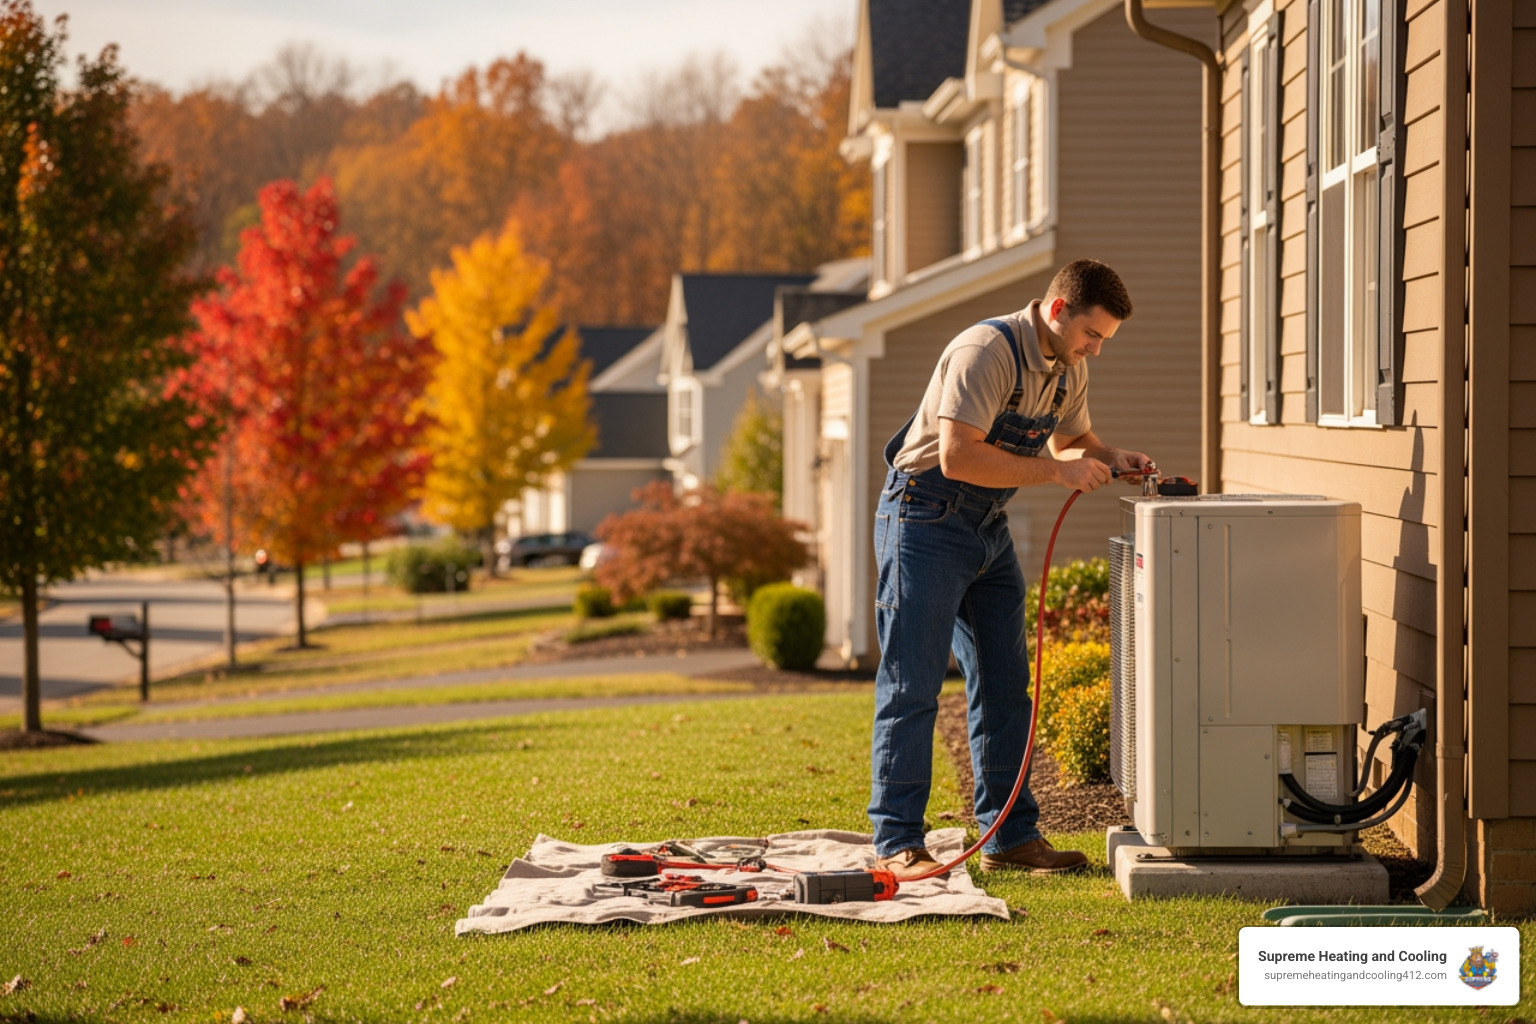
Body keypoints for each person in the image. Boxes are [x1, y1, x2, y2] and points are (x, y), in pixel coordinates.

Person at [869, 258, 1153, 881]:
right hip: (924, 518)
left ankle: (1009, 835)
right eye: (1092, 335)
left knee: (1004, 686)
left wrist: (1112, 456)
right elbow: (959, 455)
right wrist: (1059, 473)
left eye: (1104, 339)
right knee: (912, 684)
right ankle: (897, 840)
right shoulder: (984, 351)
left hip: (987, 530)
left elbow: (1069, 443)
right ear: (1057, 312)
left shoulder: (1066, 367)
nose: (1096, 350)